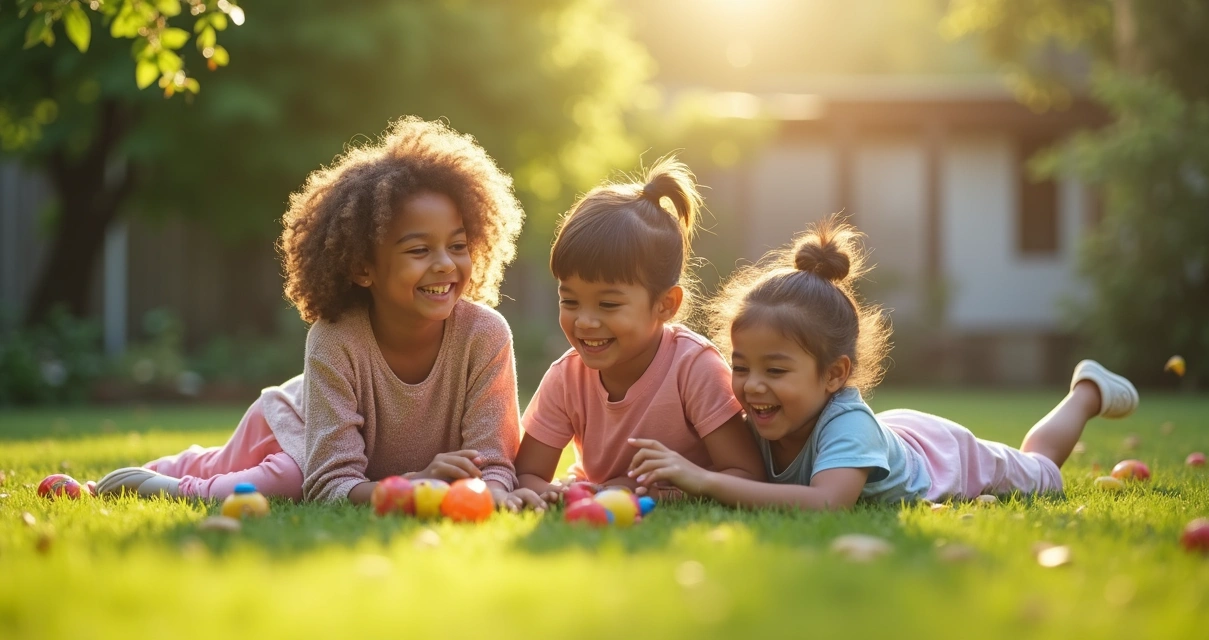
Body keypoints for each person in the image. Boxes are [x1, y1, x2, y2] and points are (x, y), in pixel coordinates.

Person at [97, 116, 539, 510]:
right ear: (363, 268)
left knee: (289, 479)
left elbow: (495, 464)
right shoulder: (336, 337)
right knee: (282, 477)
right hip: (294, 425)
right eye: (420, 250)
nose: (445, 263)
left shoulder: (485, 335)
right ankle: (165, 484)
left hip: (366, 469)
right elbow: (329, 485)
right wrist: (416, 486)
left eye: (458, 246)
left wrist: (491, 496)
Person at [627, 215, 1138, 509]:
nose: (753, 386)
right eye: (742, 367)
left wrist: (706, 481)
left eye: (775, 370)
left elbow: (829, 502)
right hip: (889, 435)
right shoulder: (759, 418)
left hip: (944, 456)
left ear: (834, 374)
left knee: (1042, 468)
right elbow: (733, 474)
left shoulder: (845, 423)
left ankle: (1085, 392)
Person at [513, 156, 764, 506]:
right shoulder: (567, 377)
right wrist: (556, 495)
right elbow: (527, 475)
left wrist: (657, 491)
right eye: (570, 301)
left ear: (666, 304)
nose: (584, 321)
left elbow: (746, 474)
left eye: (608, 305)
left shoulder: (694, 367)